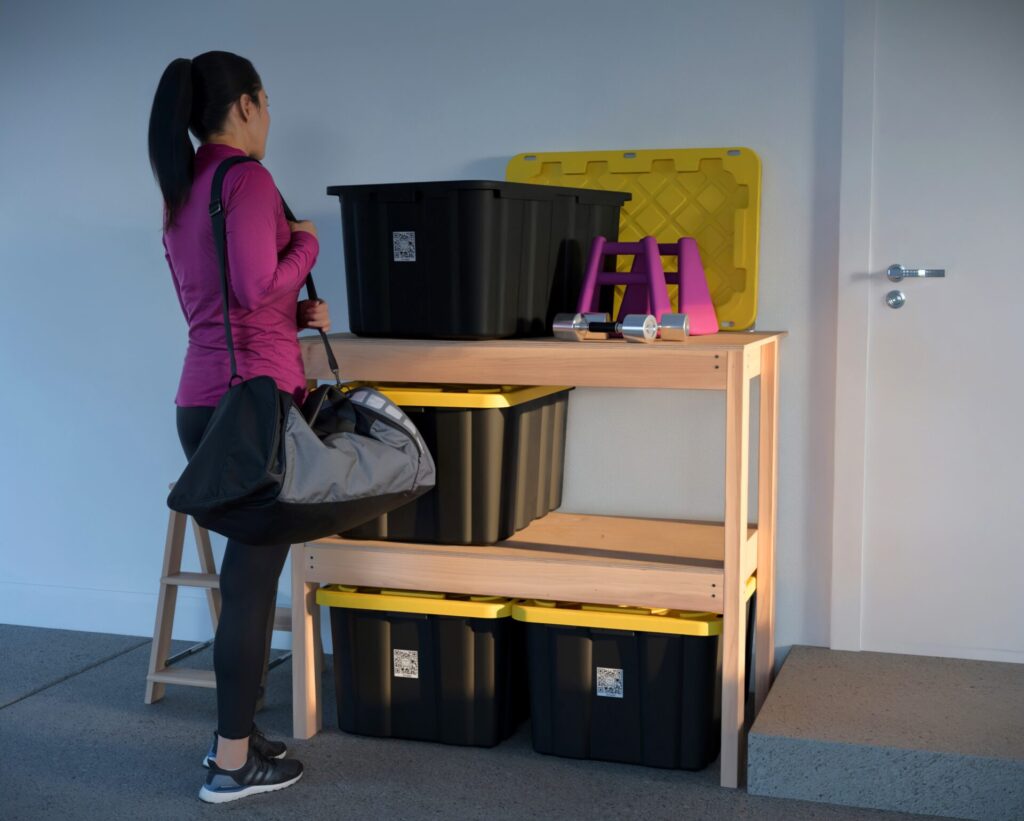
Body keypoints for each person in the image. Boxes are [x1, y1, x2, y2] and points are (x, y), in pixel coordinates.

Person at [148, 50, 329, 804]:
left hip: (202, 401)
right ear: (248, 105)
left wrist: (292, 313)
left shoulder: (182, 188)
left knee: (246, 576)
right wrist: (307, 244)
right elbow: (256, 282)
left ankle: (241, 738)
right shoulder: (247, 180)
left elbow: (225, 298)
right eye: (268, 105)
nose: (270, 119)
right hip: (254, 403)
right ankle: (231, 763)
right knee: (253, 585)